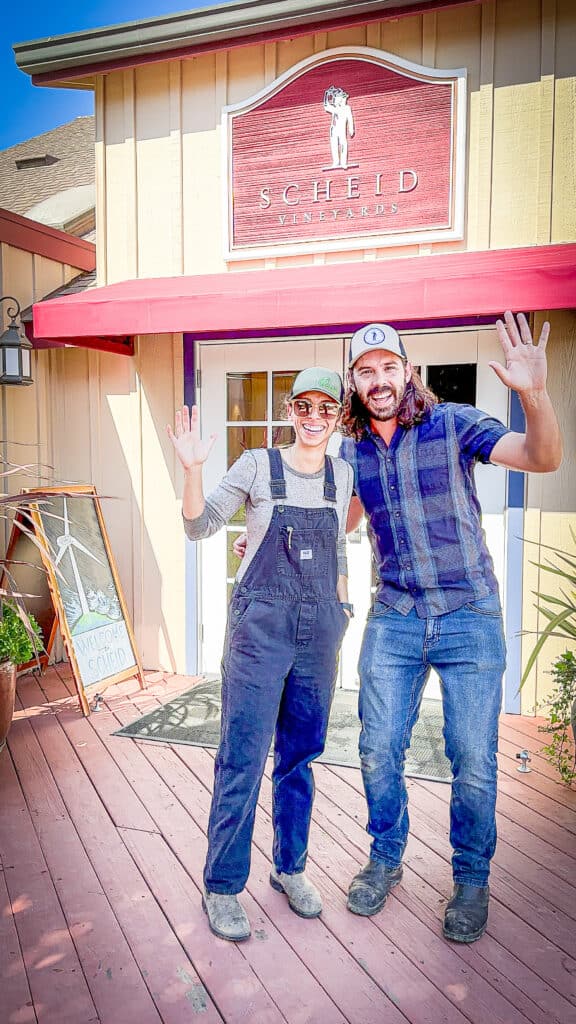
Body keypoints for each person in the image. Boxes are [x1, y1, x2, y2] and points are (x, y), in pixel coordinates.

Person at [339, 313, 562, 943]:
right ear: (355, 383)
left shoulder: (452, 424)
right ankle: (386, 860)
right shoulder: (352, 452)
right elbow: (336, 520)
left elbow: (542, 457)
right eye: (365, 370)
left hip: (469, 616)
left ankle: (470, 878)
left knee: (471, 758)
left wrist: (533, 395)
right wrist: (268, 531)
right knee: (378, 746)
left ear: (408, 371)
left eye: (388, 367)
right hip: (396, 618)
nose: (378, 379)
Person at [167, 368, 353, 942]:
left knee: (300, 756)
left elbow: (339, 547)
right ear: (290, 410)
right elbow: (200, 527)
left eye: (326, 408)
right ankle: (222, 885)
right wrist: (193, 470)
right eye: (304, 406)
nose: (314, 418)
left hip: (319, 629)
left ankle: (289, 869)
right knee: (242, 756)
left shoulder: (341, 474)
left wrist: (342, 611)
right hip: (260, 630)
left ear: (339, 415)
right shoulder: (255, 465)